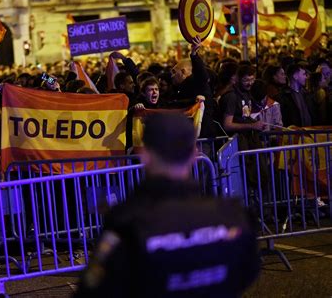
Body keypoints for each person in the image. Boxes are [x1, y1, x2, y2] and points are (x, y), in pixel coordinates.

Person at [75, 112, 260, 297]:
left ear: (145, 156)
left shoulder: (127, 225)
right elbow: (247, 272)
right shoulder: (232, 216)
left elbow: (92, 290)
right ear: (195, 154)